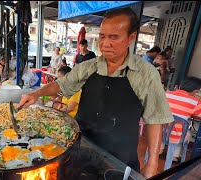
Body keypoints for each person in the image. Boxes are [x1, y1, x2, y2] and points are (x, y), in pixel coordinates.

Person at [17, 7, 174, 178]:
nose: (105, 43)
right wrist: (36, 94)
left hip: (118, 158)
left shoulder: (145, 73)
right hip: (82, 148)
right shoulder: (89, 66)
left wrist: (152, 164)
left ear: (131, 37)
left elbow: (155, 119)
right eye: (102, 36)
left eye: (114, 37)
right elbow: (62, 84)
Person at [158, 79, 201, 169]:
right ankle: (174, 156)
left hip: (158, 131)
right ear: (195, 91)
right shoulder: (195, 102)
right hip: (175, 136)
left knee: (166, 127)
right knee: (185, 133)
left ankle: (159, 150)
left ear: (179, 86)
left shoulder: (166, 94)